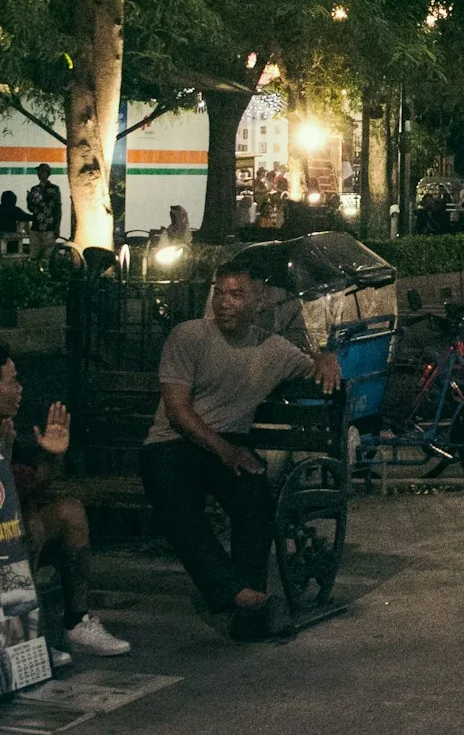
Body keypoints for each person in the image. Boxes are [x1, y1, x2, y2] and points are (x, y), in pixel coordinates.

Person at [140, 259, 341, 639]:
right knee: (177, 507)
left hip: (228, 446)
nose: (224, 302)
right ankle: (245, 596)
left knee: (254, 498)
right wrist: (226, 451)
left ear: (259, 301)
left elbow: (309, 362)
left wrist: (325, 358)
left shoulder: (273, 348)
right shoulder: (189, 337)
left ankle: (247, 610)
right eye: (219, 292)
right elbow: (177, 412)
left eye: (236, 294)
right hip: (173, 445)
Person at [0, 343, 130, 660]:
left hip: (3, 533)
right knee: (26, 527)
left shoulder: (2, 429)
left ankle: (76, 623)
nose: (20, 389)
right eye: (12, 381)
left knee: (69, 512)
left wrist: (52, 455)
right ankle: (20, 638)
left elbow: (32, 485)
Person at [27, 164, 62, 238]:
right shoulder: (34, 189)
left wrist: (57, 227)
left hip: (49, 228)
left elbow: (57, 209)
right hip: (36, 227)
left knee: (48, 248)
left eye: (42, 171)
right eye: (38, 171)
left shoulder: (54, 189)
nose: (39, 173)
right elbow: (31, 209)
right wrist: (29, 199)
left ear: (47, 173)